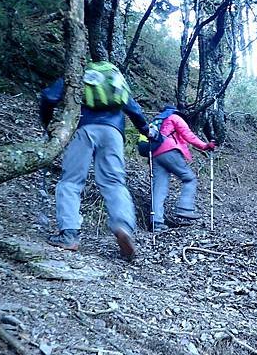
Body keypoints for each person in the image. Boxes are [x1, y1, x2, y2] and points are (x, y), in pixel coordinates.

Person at [40, 64, 153, 261]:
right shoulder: (114, 79)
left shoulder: (78, 73)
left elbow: (49, 97)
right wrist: (146, 130)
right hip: (114, 132)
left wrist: (48, 123)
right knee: (114, 182)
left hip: (84, 128)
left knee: (71, 181)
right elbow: (133, 109)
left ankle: (69, 235)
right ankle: (123, 227)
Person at [139, 105, 215, 231]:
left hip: (155, 155)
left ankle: (156, 222)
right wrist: (205, 146)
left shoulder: (156, 121)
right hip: (169, 151)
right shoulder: (174, 117)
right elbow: (188, 135)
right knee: (189, 178)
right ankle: (185, 208)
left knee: (158, 189)